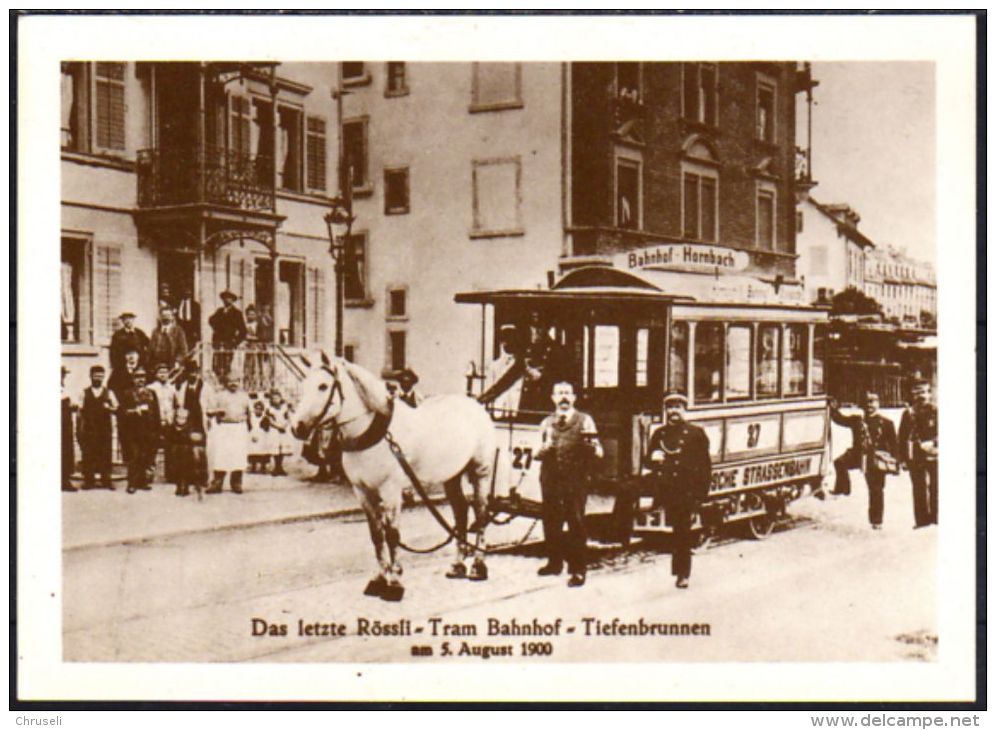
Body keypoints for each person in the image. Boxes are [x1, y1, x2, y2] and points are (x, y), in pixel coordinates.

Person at [535, 381, 603, 588]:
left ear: (574, 398)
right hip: (551, 478)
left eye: (567, 393)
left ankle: (577, 569)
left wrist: (591, 448)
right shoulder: (546, 423)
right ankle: (554, 563)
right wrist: (542, 450)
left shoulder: (585, 421)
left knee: (575, 522)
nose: (563, 398)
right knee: (551, 521)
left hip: (575, 479)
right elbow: (534, 453)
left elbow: (599, 452)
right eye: (559, 394)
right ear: (553, 398)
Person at [645, 392, 712, 589]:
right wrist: (652, 458)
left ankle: (683, 574)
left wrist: (701, 495)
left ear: (685, 410)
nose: (673, 412)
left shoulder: (696, 434)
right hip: (666, 489)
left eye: (678, 407)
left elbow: (705, 467)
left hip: (686, 491)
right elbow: (648, 460)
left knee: (682, 533)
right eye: (670, 407)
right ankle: (678, 570)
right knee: (675, 533)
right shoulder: (660, 434)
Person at [830, 393, 899, 529]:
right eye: (867, 403)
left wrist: (896, 462)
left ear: (878, 404)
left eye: (873, 403)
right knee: (839, 462)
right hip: (858, 454)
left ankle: (876, 521)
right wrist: (833, 407)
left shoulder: (886, 423)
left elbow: (894, 445)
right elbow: (839, 419)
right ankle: (843, 488)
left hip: (875, 459)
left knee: (876, 490)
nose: (870, 406)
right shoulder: (857, 420)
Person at [478, 312, 571, 415]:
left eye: (539, 329)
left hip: (547, 407)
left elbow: (564, 378)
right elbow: (509, 378)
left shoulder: (556, 351)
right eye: (532, 329)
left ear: (546, 329)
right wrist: (483, 398)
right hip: (527, 405)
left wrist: (542, 377)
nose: (535, 333)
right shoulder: (528, 351)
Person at [899, 380, 938, 528]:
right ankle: (922, 521)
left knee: (936, 486)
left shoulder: (936, 411)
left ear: (929, 393)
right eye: (917, 393)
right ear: (913, 395)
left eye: (923, 392)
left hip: (934, 454)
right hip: (915, 455)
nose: (921, 396)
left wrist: (934, 443)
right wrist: (902, 459)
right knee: (918, 487)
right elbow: (902, 437)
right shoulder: (908, 413)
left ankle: (936, 518)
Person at [76, 364, 118, 490]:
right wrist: (80, 428)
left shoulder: (109, 392)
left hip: (104, 428)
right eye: (96, 376)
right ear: (91, 377)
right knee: (88, 454)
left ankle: (106, 480)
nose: (98, 378)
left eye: (101, 376)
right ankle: (89, 480)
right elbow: (79, 410)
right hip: (89, 428)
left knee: (105, 453)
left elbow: (116, 407)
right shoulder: (84, 392)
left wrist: (109, 408)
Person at [206, 375, 250, 494]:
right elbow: (209, 411)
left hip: (239, 427)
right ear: (226, 382)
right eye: (230, 381)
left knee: (238, 455)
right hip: (223, 428)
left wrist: (250, 430)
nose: (233, 383)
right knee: (221, 455)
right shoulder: (219, 396)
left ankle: (236, 483)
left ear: (239, 381)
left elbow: (249, 414)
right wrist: (216, 412)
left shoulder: (244, 397)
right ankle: (217, 483)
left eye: (235, 380)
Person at [120, 367, 160, 493]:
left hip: (148, 430)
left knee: (145, 455)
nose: (140, 380)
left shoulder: (152, 393)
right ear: (133, 378)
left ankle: (142, 482)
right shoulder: (127, 393)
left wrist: (157, 430)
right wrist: (134, 411)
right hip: (133, 430)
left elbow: (156, 412)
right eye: (137, 377)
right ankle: (131, 483)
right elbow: (122, 412)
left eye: (143, 377)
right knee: (134, 456)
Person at [148, 362, 177, 481]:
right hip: (155, 422)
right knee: (151, 448)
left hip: (169, 421)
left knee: (171, 448)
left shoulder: (172, 388)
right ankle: (149, 475)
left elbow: (175, 404)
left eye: (165, 372)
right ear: (156, 374)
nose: (163, 375)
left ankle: (170, 475)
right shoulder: (151, 388)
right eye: (160, 372)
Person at [209, 290, 247, 379]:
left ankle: (225, 383)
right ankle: (217, 383)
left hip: (229, 342)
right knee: (216, 363)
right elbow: (211, 320)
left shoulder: (237, 313)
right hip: (218, 342)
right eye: (225, 298)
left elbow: (243, 331)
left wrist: (235, 342)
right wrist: (216, 328)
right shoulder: (219, 311)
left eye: (229, 298)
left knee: (226, 364)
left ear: (233, 300)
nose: (226, 300)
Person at [148, 304, 189, 372]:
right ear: (160, 317)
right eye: (163, 315)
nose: (166, 318)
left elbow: (183, 350)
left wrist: (178, 361)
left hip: (173, 366)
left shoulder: (178, 331)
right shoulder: (155, 332)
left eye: (168, 315)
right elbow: (151, 350)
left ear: (172, 317)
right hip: (157, 366)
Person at [266, 389, 295, 477]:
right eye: (274, 398)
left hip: (283, 429)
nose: (276, 400)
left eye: (277, 398)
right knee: (276, 449)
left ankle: (280, 467)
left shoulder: (284, 408)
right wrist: (278, 427)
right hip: (274, 430)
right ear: (271, 399)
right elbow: (269, 420)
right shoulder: (269, 409)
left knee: (282, 449)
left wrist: (284, 426)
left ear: (280, 398)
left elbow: (288, 418)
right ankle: (276, 467)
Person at [61, 366, 77, 492]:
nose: (62, 377)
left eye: (63, 375)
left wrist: (72, 407)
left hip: (66, 424)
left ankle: (65, 480)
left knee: (66, 451)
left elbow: (72, 405)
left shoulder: (65, 389)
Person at [247, 399, 272, 474]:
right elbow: (248, 427)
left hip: (262, 436)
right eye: (256, 409)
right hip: (252, 434)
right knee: (252, 450)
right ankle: (253, 466)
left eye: (260, 409)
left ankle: (263, 466)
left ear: (262, 410)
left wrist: (261, 433)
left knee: (263, 450)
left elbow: (267, 429)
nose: (258, 411)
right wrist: (252, 435)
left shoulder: (265, 418)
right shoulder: (251, 418)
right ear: (254, 409)